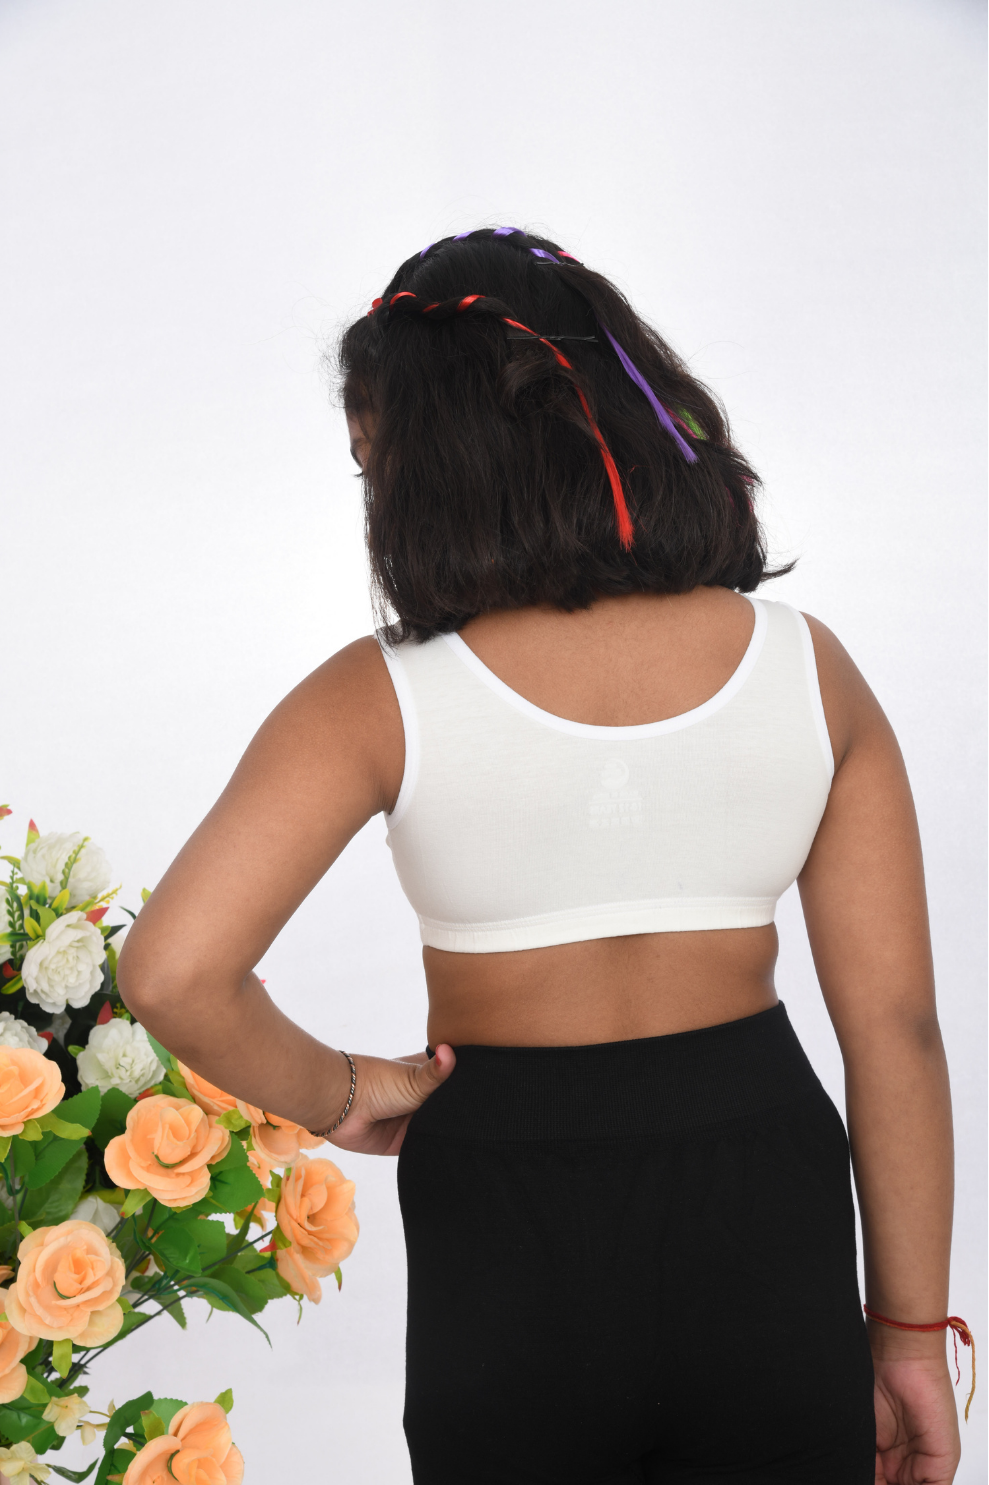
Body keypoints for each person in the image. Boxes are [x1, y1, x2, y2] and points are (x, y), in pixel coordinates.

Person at [118, 227, 963, 1485]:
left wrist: (341, 1094)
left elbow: (174, 972)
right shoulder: (808, 668)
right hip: (762, 1187)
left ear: (432, 466)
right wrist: (907, 1341)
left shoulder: (377, 698)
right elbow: (895, 1029)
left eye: (372, 464)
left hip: (507, 1196)